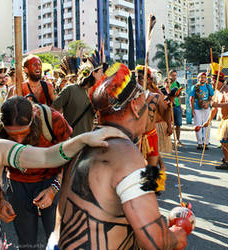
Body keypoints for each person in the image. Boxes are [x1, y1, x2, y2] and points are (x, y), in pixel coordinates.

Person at [0, 84, 126, 249]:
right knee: (27, 241)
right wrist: (1, 200)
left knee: (56, 235)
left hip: (48, 184)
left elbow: (49, 156)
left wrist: (83, 140)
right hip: (18, 188)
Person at [56, 63, 187, 249]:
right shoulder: (125, 156)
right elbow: (156, 242)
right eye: (143, 100)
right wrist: (179, 230)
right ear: (135, 106)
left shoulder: (81, 146)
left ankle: (152, 192)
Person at [0, 96, 72, 250]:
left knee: (58, 239)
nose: (18, 140)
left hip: (51, 180)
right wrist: (1, 199)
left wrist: (53, 189)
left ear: (33, 120)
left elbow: (70, 157)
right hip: (17, 185)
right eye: (12, 134)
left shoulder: (54, 120)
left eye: (23, 133)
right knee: (26, 243)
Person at [52, 52, 104, 137]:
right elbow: (53, 112)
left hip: (88, 142)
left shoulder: (97, 94)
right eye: (101, 72)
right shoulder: (70, 89)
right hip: (70, 141)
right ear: (93, 73)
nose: (102, 75)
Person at [135, 65, 172, 167]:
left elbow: (166, 115)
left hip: (151, 135)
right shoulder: (130, 97)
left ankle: (161, 167)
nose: (138, 80)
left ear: (149, 80)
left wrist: (170, 105)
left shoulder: (156, 96)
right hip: (135, 138)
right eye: (136, 77)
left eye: (141, 78)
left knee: (151, 170)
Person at [190, 72, 214, 149]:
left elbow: (212, 96)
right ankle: (199, 143)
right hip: (197, 108)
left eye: (204, 77)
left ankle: (206, 143)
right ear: (198, 78)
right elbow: (192, 99)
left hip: (206, 109)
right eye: (201, 77)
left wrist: (208, 103)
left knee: (207, 125)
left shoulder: (208, 86)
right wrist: (192, 109)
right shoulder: (195, 87)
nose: (202, 79)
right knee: (198, 126)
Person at [169, 69, 183, 146]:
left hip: (177, 106)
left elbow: (179, 97)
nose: (174, 77)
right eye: (173, 75)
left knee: (178, 124)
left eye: (175, 75)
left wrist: (180, 107)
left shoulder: (178, 84)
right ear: (170, 75)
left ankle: (178, 140)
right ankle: (169, 140)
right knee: (169, 124)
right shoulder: (167, 83)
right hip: (170, 106)